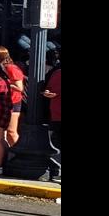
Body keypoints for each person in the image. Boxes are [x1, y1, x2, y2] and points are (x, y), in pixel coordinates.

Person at [0, 46, 26, 148]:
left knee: (11, 131)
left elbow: (19, 88)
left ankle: (19, 152)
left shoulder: (10, 68)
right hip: (0, 101)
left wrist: (3, 82)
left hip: (13, 102)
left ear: (1, 55)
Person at [43, 50, 60, 182]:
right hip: (56, 114)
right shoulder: (57, 73)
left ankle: (56, 170)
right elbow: (48, 89)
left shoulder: (57, 73)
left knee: (56, 143)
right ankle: (56, 171)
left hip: (56, 113)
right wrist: (48, 92)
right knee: (56, 143)